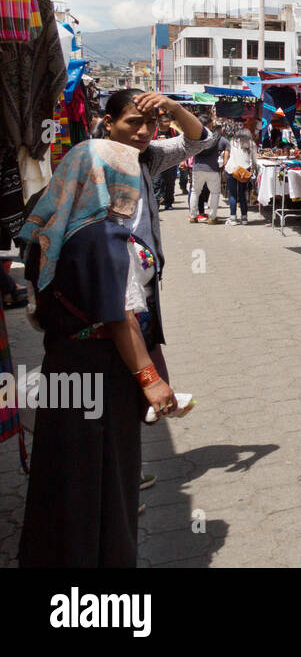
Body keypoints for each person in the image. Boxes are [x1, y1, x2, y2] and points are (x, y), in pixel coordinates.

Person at [17, 140, 185, 566]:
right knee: (103, 474)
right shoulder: (102, 234)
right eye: (126, 178)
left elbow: (38, 309)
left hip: (63, 365)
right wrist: (150, 379)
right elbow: (119, 316)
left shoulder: (52, 220)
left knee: (64, 471)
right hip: (101, 370)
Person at [190, 115, 228, 224]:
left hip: (197, 167)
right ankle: (212, 217)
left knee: (195, 192)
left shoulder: (195, 136)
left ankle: (193, 216)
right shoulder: (217, 137)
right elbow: (226, 145)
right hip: (212, 169)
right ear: (209, 124)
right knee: (215, 193)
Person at [222, 126, 257, 225]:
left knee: (232, 194)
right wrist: (253, 171)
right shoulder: (252, 144)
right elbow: (254, 161)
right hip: (243, 172)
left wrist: (224, 166)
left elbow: (227, 155)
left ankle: (233, 218)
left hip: (231, 170)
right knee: (242, 194)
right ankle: (244, 218)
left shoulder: (232, 143)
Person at [152, 112, 180, 209]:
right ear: (159, 122)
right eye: (165, 121)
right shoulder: (153, 132)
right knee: (156, 183)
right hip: (156, 162)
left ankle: (168, 203)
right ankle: (155, 204)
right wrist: (157, 142)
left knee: (170, 183)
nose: (167, 123)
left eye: (168, 121)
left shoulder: (174, 132)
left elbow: (179, 145)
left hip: (170, 162)